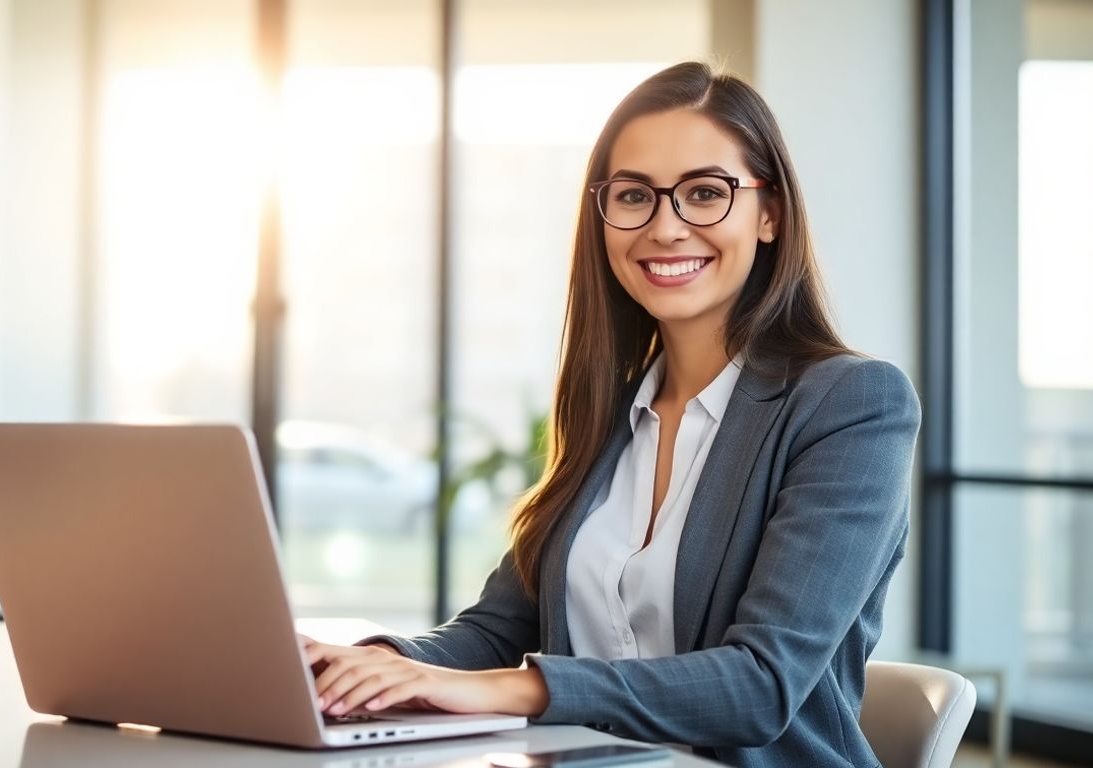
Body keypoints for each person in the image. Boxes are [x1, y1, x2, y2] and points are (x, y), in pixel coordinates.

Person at [301, 60, 920, 767]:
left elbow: (761, 684)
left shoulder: (850, 404)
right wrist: (370, 665)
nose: (665, 226)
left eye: (704, 193)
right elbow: (500, 629)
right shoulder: (608, 409)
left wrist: (522, 689)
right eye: (634, 196)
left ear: (770, 212)